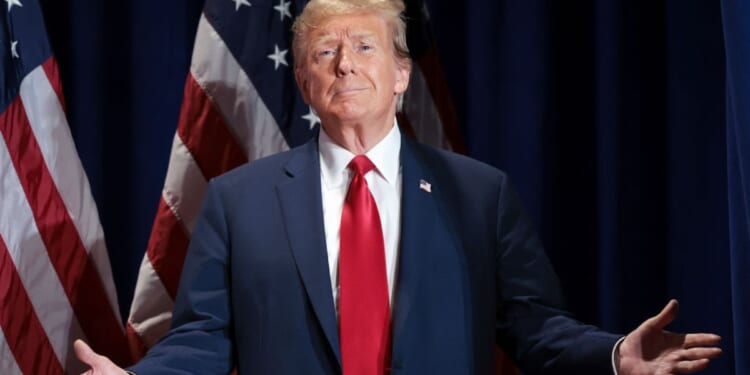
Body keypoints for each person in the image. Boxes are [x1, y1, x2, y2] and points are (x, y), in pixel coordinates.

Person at [75, 0, 722, 373]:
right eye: (325, 51)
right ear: (304, 83)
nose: (346, 63)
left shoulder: (479, 196)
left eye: (364, 45)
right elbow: (199, 342)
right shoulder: (238, 202)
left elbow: (536, 329)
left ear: (402, 75)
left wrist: (613, 355)